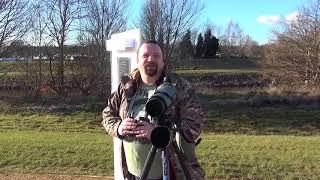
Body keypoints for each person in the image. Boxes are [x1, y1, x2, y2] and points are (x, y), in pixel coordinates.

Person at [102, 40, 205, 180]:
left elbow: (194, 125)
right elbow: (108, 113)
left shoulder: (179, 87)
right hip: (133, 174)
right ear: (138, 61)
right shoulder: (126, 87)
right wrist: (118, 127)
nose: (150, 59)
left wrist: (158, 133)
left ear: (163, 61)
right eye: (145, 55)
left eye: (156, 55)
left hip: (171, 172)